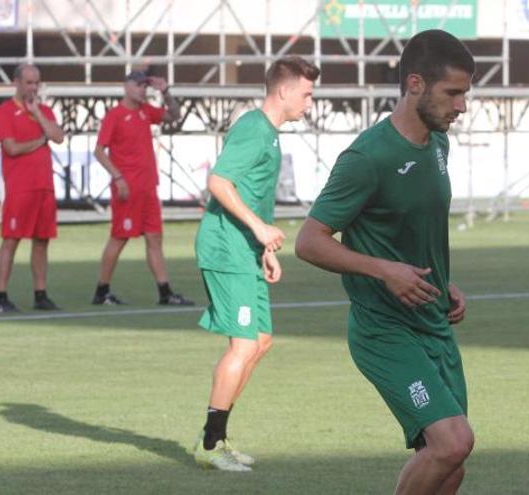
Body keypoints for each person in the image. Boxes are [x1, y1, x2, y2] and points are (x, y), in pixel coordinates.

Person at [295, 30, 475, 494]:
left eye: (465, 94)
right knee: (451, 443)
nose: (462, 106)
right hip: (384, 330)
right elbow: (309, 241)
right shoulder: (366, 157)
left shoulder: (438, 145)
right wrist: (384, 270)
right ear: (415, 84)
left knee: (451, 461)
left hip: (433, 323)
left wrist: (445, 283)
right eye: (453, 93)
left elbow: (414, 231)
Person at [192, 56, 319, 472]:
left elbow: (250, 193)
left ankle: (218, 436)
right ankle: (210, 444)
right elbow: (219, 182)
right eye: (307, 93)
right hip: (226, 250)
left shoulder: (270, 134)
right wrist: (259, 231)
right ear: (283, 91)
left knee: (261, 342)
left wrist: (264, 246)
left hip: (246, 250)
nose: (310, 102)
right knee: (244, 344)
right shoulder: (252, 128)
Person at [92, 70, 191, 306]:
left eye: (144, 86)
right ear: (126, 86)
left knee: (154, 238)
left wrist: (166, 91)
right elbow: (99, 151)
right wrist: (118, 177)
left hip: (148, 188)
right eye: (138, 85)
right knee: (119, 237)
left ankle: (164, 292)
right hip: (127, 189)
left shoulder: (146, 111)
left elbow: (174, 116)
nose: (142, 90)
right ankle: (101, 290)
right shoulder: (115, 115)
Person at [0, 64, 65, 313]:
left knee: (42, 242)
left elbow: (58, 136)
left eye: (36, 82)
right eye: (29, 82)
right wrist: (40, 141)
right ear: (17, 83)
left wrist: (38, 115)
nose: (33, 87)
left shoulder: (44, 111)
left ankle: (40, 294)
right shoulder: (4, 112)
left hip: (44, 187)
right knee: (11, 240)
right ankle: (1, 295)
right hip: (20, 189)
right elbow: (12, 148)